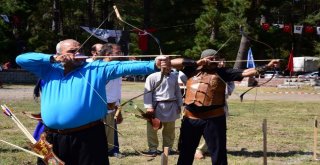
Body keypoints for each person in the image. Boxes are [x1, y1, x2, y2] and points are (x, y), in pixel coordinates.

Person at [15, 39, 170, 165]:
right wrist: (51, 59)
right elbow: (21, 59)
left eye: (80, 50)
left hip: (88, 137)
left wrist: (153, 64)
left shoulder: (95, 68)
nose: (78, 54)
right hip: (52, 138)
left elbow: (124, 67)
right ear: (59, 54)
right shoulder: (48, 70)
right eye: (72, 51)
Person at [170, 49, 279, 165]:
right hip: (191, 118)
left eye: (216, 58)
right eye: (211, 58)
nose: (215, 60)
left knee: (218, 153)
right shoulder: (191, 70)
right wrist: (197, 63)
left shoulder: (223, 72)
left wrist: (268, 66)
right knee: (185, 152)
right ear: (204, 58)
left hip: (213, 119)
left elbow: (247, 72)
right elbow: (171, 62)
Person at [142, 68, 183, 157]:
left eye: (169, 65)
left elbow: (177, 91)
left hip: (171, 105)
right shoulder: (152, 77)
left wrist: (179, 104)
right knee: (153, 129)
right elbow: (147, 92)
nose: (168, 67)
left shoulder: (174, 77)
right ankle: (153, 149)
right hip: (156, 106)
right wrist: (149, 106)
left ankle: (168, 148)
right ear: (159, 66)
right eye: (165, 65)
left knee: (170, 129)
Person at [99, 43, 124, 158]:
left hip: (111, 108)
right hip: (98, 109)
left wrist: (118, 109)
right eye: (117, 53)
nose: (120, 55)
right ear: (108, 54)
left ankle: (111, 150)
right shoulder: (98, 69)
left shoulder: (117, 69)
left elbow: (116, 92)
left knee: (110, 136)